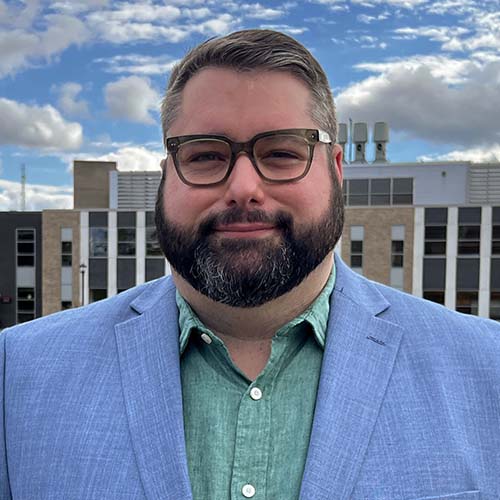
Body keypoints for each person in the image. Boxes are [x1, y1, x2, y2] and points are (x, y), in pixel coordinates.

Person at [1, 29, 499, 500]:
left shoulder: (487, 371)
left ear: (337, 170)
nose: (242, 187)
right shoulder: (14, 375)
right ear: (166, 177)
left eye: (281, 152)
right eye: (204, 156)